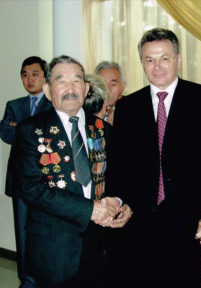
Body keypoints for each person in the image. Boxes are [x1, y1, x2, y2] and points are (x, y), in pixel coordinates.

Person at [106, 28, 201, 288]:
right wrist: (120, 201)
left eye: (164, 58)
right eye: (149, 59)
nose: (156, 66)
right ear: (141, 63)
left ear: (178, 59)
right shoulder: (128, 107)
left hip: (189, 223)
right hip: (139, 224)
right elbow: (119, 167)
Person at [15, 55, 132, 288]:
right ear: (48, 90)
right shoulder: (31, 130)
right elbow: (32, 189)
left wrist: (121, 203)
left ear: (86, 88)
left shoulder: (102, 129)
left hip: (100, 245)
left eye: (77, 81)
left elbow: (121, 177)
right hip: (54, 248)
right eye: (61, 81)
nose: (71, 88)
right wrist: (90, 209)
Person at [0, 56, 52, 288]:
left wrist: (20, 128)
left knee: (47, 232)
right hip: (21, 182)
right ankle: (27, 281)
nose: (29, 79)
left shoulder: (53, 104)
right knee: (22, 234)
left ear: (45, 76)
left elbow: (47, 138)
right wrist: (27, 130)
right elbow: (6, 134)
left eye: (34, 74)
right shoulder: (14, 105)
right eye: (24, 74)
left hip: (47, 182)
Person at [95, 61, 126, 125]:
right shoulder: (87, 109)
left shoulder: (135, 109)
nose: (108, 89)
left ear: (123, 86)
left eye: (113, 84)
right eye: (103, 84)